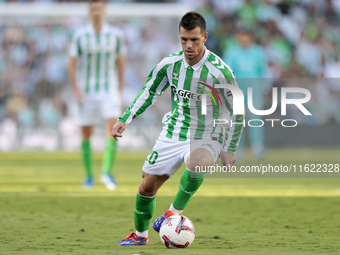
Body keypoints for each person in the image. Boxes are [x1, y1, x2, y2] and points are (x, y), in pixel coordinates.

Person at [112, 12, 243, 246]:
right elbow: (149, 92)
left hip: (207, 133)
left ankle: (172, 214)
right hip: (174, 130)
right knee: (146, 187)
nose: (188, 45)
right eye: (184, 39)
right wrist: (125, 118)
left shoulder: (220, 72)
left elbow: (237, 110)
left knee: (197, 162)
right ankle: (140, 236)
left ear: (205, 37)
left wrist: (230, 146)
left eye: (194, 40)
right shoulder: (170, 64)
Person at [68, 0, 126, 190]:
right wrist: (76, 89)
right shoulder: (80, 36)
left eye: (99, 8)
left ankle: (106, 172)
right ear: (89, 12)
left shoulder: (115, 35)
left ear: (104, 10)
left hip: (109, 90)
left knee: (113, 128)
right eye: (93, 9)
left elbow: (121, 61)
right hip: (88, 91)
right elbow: (72, 64)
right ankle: (89, 176)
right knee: (86, 132)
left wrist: (120, 87)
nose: (96, 12)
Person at [223, 29, 267, 160]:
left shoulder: (258, 52)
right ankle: (236, 150)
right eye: (241, 36)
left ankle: (258, 148)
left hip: (254, 88)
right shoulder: (232, 53)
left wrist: (262, 87)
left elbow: (261, 72)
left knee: (255, 118)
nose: (244, 39)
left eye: (246, 36)